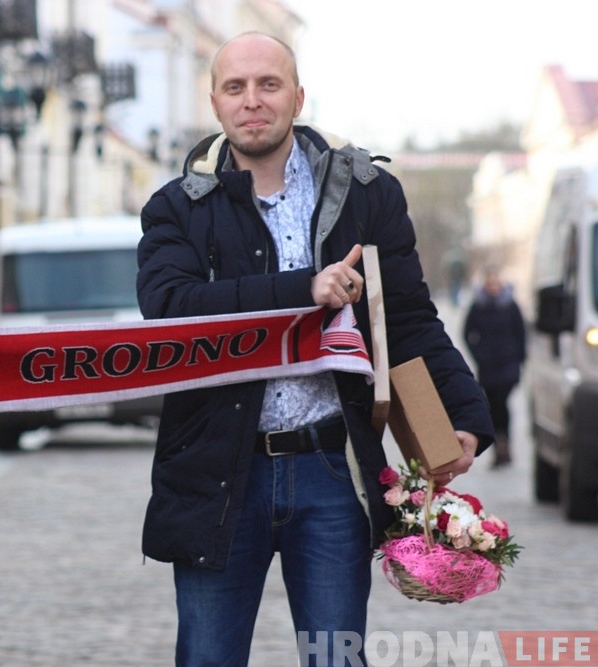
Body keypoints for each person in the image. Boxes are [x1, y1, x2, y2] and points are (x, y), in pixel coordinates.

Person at [136, 32, 494, 667]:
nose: (252, 100)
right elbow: (171, 308)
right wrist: (304, 290)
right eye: (235, 87)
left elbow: (407, 317)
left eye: (268, 85)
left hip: (333, 469)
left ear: (298, 98)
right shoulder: (176, 208)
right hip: (217, 473)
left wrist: (464, 411)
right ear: (215, 103)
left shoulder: (366, 193)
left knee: (337, 659)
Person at [463, 267, 527, 467]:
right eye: (489, 284)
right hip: (488, 366)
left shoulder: (510, 306)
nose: (493, 287)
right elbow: (467, 333)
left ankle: (504, 442)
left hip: (508, 364)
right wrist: (478, 354)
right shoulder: (478, 306)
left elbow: (521, 333)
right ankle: (500, 445)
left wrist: (519, 358)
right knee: (493, 405)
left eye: (495, 283)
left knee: (502, 402)